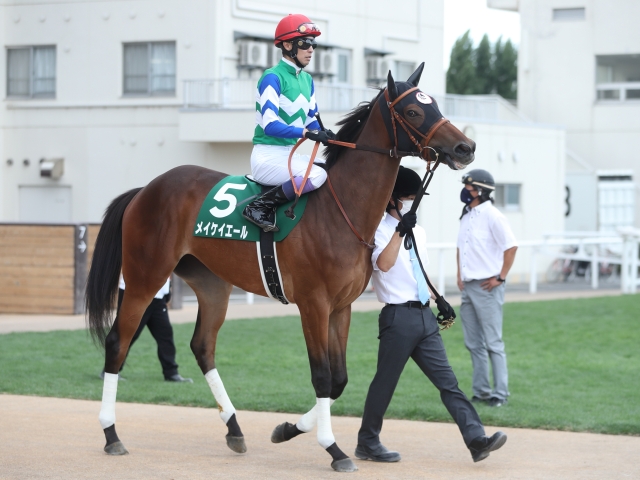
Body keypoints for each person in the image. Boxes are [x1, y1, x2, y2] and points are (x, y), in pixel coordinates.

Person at [356, 166, 507, 464]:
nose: (414, 203)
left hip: (425, 317)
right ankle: (367, 442)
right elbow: (383, 265)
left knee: (449, 383)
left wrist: (440, 300)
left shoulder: (419, 231)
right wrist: (399, 231)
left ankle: (476, 439)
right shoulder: (377, 230)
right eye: (410, 198)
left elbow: (419, 272)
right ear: (394, 200)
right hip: (397, 319)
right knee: (384, 383)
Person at [242, 13, 335, 233]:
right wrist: (307, 133)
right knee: (317, 174)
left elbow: (312, 120)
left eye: (313, 43)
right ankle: (258, 207)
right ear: (286, 45)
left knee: (331, 168)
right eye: (305, 43)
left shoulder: (307, 79)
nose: (311, 49)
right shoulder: (272, 77)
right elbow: (270, 125)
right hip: (267, 157)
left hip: (289, 155)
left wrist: (326, 134)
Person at [456, 169, 518, 408]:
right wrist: (460, 274)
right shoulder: (466, 215)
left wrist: (500, 278)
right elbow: (461, 248)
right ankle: (481, 391)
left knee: (493, 342)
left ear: (480, 191)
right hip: (469, 286)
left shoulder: (494, 216)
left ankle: (500, 394)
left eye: (469, 187)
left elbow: (511, 247)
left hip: (487, 286)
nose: (465, 191)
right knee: (473, 343)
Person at [99, 276, 192, 383]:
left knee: (166, 335)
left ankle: (171, 373)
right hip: (135, 296)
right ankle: (110, 371)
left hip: (158, 298)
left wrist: (167, 290)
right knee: (127, 336)